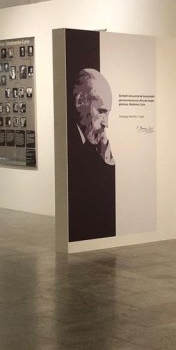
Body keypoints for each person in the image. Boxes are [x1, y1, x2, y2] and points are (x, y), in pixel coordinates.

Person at [68, 68, 116, 242]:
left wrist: (105, 156)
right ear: (81, 101)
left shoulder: (92, 144)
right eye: (102, 111)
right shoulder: (69, 143)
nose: (106, 123)